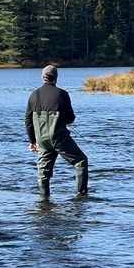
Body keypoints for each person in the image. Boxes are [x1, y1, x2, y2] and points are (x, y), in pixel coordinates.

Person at [25, 65, 88, 198]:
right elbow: (70, 118)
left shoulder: (33, 95)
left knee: (43, 171)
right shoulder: (62, 94)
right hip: (60, 138)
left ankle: (44, 199)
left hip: (41, 139)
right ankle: (81, 196)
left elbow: (28, 120)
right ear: (56, 78)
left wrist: (32, 141)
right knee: (80, 161)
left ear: (43, 77)